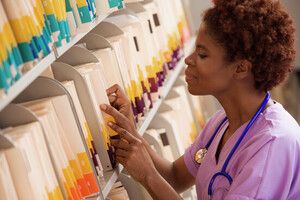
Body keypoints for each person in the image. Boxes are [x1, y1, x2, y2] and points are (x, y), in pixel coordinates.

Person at [100, 0, 300, 199]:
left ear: (240, 68)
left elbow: (160, 179)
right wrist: (131, 132)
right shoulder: (221, 123)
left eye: (202, 54)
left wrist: (148, 176)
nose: (189, 59)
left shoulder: (273, 144)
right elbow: (174, 177)